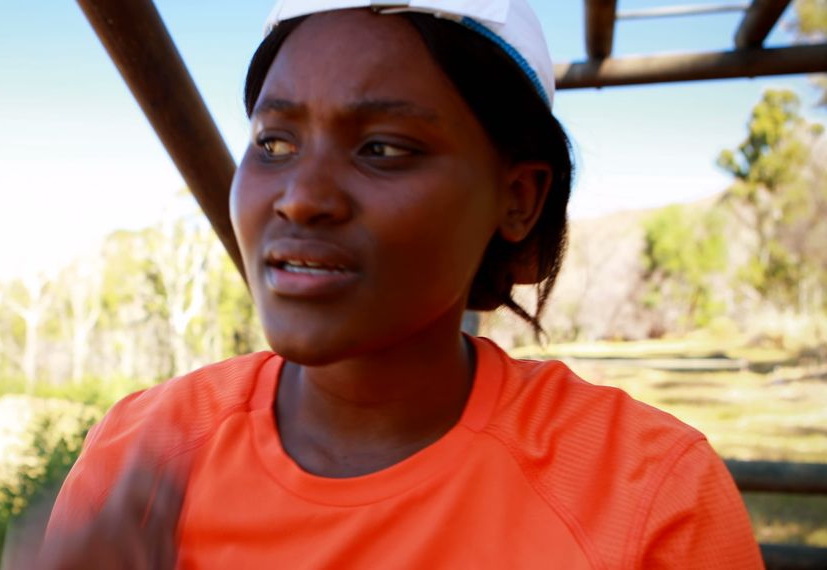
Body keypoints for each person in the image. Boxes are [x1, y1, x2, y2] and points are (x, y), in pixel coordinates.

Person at [38, 1, 764, 568]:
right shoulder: (141, 456)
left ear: (518, 199)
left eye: (382, 148)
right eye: (275, 143)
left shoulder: (645, 494)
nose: (300, 196)